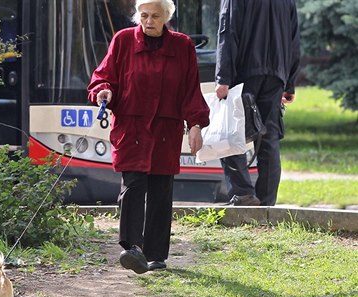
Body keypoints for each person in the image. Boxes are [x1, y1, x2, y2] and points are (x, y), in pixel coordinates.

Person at [87, 0, 210, 274]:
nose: (149, 21)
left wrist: (196, 125)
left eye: (155, 16)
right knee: (132, 186)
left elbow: (191, 90)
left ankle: (156, 256)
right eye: (143, 15)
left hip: (165, 129)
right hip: (132, 127)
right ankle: (132, 248)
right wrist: (103, 91)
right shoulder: (123, 41)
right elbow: (102, 77)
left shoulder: (182, 46)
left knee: (160, 190)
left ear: (166, 17)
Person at [215, 0, 300, 206]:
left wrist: (223, 78)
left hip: (244, 74)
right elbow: (294, 39)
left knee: (230, 133)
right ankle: (266, 201)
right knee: (269, 137)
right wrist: (290, 83)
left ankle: (243, 194)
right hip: (276, 76)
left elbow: (228, 32)